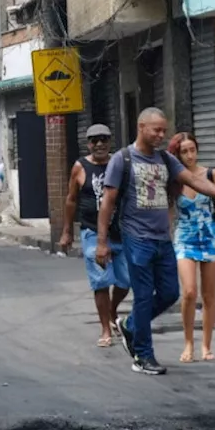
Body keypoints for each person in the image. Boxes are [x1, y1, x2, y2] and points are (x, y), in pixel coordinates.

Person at [95, 108, 215, 375]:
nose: (162, 135)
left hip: (162, 239)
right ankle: (143, 356)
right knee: (143, 296)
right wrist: (102, 242)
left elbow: (195, 182)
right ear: (142, 127)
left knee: (169, 294)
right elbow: (107, 202)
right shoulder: (123, 159)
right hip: (136, 237)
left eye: (164, 130)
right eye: (157, 130)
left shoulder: (165, 159)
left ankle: (131, 325)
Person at [59, 124, 129, 348]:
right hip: (91, 231)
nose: (99, 144)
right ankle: (106, 329)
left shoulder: (119, 164)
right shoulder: (81, 167)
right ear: (88, 143)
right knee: (100, 282)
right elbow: (71, 199)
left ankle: (113, 310)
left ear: (110, 142)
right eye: (94, 140)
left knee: (125, 280)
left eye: (104, 139)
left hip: (119, 232)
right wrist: (67, 230)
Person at [169, 132, 215, 363]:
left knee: (208, 295)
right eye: (184, 151)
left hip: (209, 237)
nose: (189, 155)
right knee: (189, 292)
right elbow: (169, 212)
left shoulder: (209, 174)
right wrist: (166, 240)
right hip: (184, 238)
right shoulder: (175, 179)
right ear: (178, 154)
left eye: (192, 150)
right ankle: (188, 343)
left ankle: (206, 345)